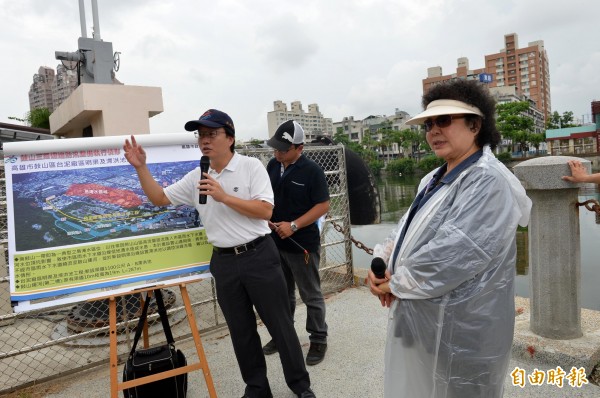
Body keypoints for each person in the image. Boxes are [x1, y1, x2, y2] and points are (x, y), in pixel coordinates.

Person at [123, 109, 316, 398]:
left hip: (259, 256)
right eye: (200, 135)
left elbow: (265, 210)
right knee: (241, 332)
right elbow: (159, 198)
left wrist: (223, 196)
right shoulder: (197, 176)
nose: (205, 140)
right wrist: (140, 167)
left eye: (212, 134)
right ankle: (257, 389)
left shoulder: (251, 167)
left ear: (230, 138)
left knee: (281, 326)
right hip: (224, 262)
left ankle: (300, 386)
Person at [366, 80, 532, 398]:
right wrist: (382, 264)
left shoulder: (488, 180)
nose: (433, 131)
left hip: (466, 325)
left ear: (475, 125)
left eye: (444, 121)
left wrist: (396, 283)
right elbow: (402, 231)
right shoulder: (434, 178)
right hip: (422, 318)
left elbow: (456, 252)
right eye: (429, 124)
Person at [261, 120, 330, 366]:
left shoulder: (312, 171)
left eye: (283, 149)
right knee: (281, 294)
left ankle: (318, 338)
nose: (277, 153)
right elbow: (265, 198)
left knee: (310, 293)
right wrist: (269, 220)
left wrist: (293, 225)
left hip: (302, 244)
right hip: (275, 241)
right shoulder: (272, 165)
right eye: (275, 149)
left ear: (299, 148)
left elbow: (322, 205)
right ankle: (283, 336)